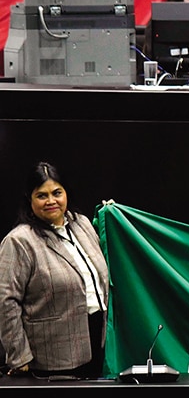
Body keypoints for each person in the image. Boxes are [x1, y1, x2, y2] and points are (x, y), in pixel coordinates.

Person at [0, 162, 109, 378]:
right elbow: (5, 301)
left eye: (57, 193)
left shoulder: (83, 224)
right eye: (42, 195)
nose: (51, 201)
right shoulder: (20, 241)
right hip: (51, 360)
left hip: (99, 346)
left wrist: (112, 217)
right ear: (29, 200)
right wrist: (19, 356)